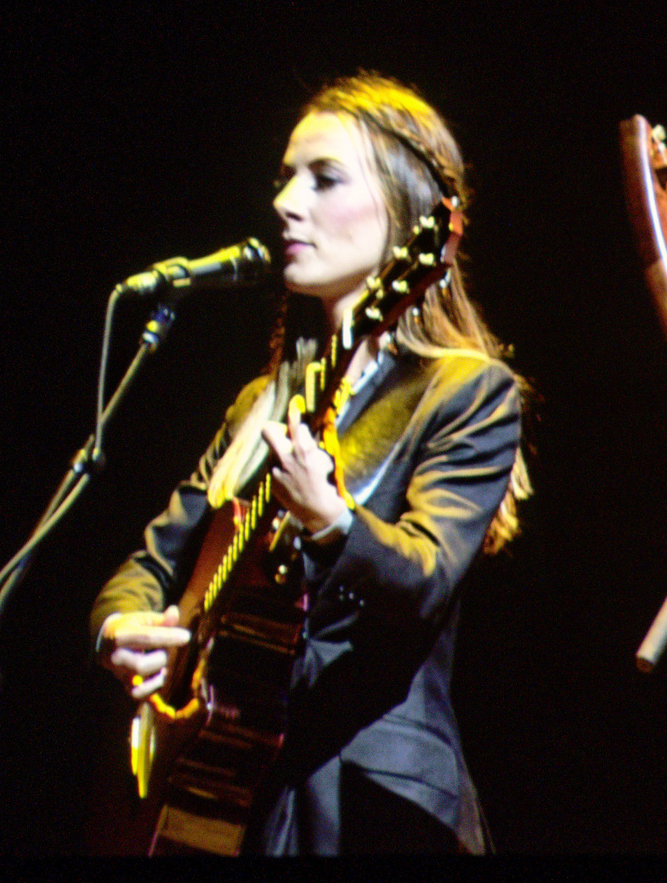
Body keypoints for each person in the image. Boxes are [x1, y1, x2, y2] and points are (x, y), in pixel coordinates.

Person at [90, 73, 531, 854]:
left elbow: (427, 577)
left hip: (371, 802)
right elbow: (148, 565)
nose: (286, 202)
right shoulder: (264, 400)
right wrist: (122, 628)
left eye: (323, 178)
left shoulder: (463, 391)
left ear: (407, 216)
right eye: (286, 178)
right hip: (239, 800)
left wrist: (331, 522)